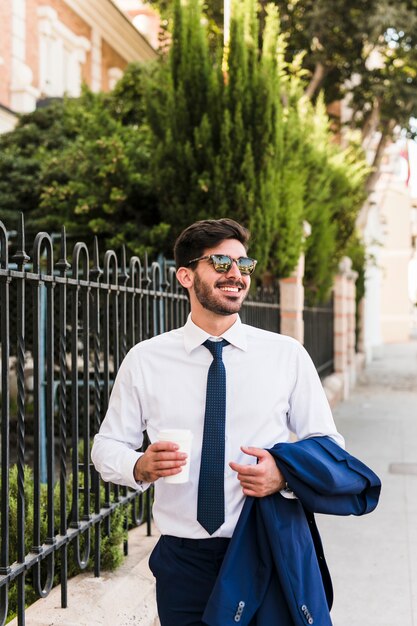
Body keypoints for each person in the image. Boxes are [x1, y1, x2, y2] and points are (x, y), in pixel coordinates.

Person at [91, 218, 345, 625]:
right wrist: (138, 465)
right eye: (222, 262)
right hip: (184, 560)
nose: (236, 275)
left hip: (267, 545)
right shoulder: (145, 360)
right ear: (186, 275)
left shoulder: (286, 355)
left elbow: (328, 445)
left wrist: (284, 475)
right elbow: (105, 447)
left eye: (244, 265)